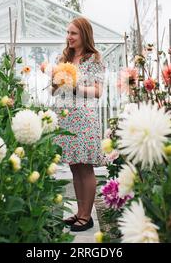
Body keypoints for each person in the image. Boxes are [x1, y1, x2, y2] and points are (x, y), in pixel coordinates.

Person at [51, 17, 105, 232]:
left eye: (73, 33)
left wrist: (75, 87)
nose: (69, 37)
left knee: (85, 168)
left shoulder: (94, 60)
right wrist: (56, 82)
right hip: (66, 117)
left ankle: (86, 216)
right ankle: (79, 213)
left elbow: (98, 91)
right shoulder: (63, 58)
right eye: (67, 33)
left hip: (84, 118)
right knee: (74, 167)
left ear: (84, 34)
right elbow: (53, 90)